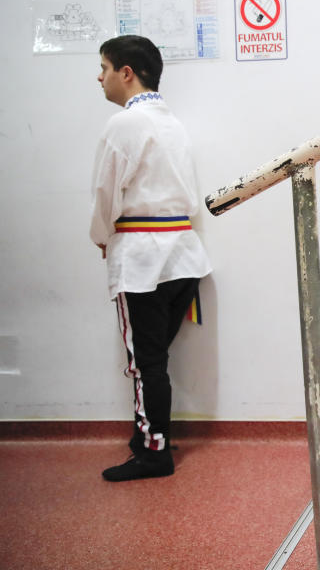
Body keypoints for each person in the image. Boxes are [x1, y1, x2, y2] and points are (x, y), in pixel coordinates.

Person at [91, 35, 212, 481]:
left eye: (103, 67)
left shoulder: (122, 124)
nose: (98, 77)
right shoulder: (173, 124)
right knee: (155, 359)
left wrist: (101, 236)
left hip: (142, 258)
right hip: (183, 256)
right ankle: (149, 438)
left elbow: (105, 193)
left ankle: (154, 452)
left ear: (126, 72)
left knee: (146, 364)